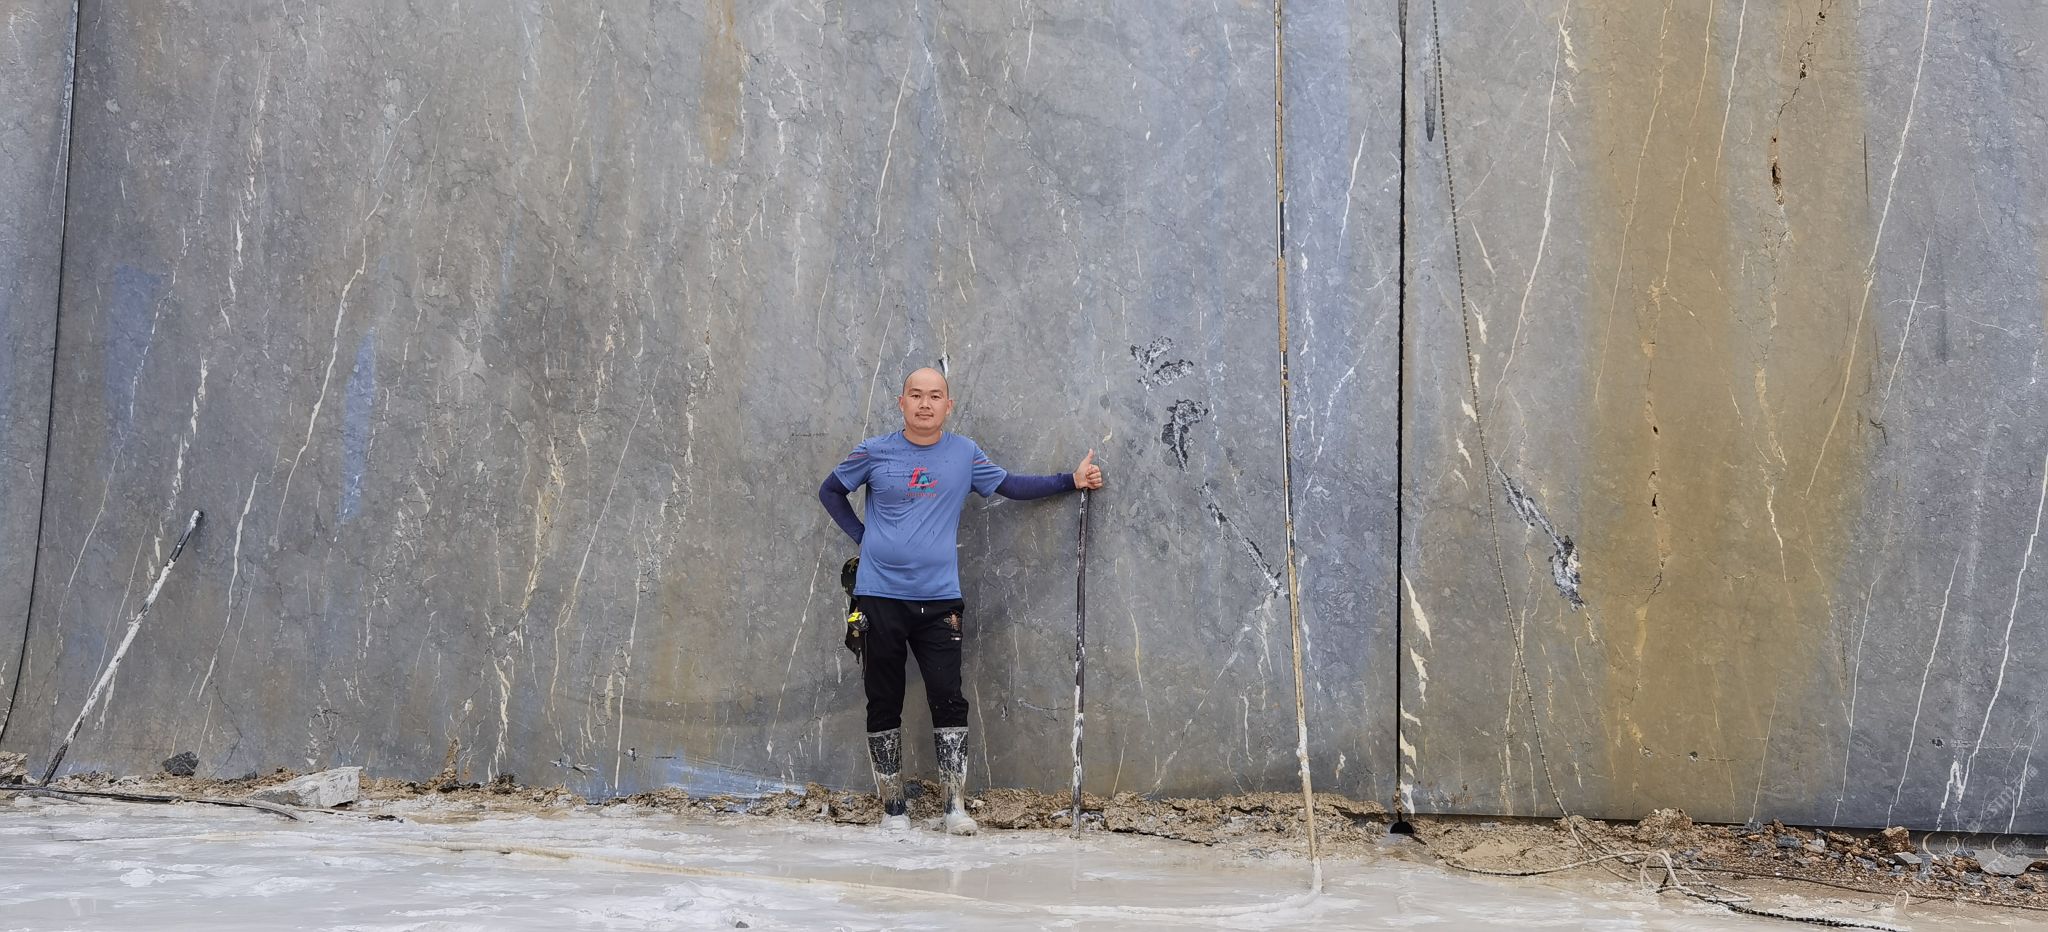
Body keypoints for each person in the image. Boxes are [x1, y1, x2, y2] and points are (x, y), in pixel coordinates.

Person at [818, 367, 1104, 833]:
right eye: (916, 395)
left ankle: (954, 808)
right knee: (883, 698)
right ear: (901, 402)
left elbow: (1011, 486)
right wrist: (861, 537)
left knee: (948, 697)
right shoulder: (873, 451)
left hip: (939, 601)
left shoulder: (964, 454)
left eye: (935, 396)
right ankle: (894, 810)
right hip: (878, 597)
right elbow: (830, 490)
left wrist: (1070, 480)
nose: (925, 404)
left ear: (948, 406)